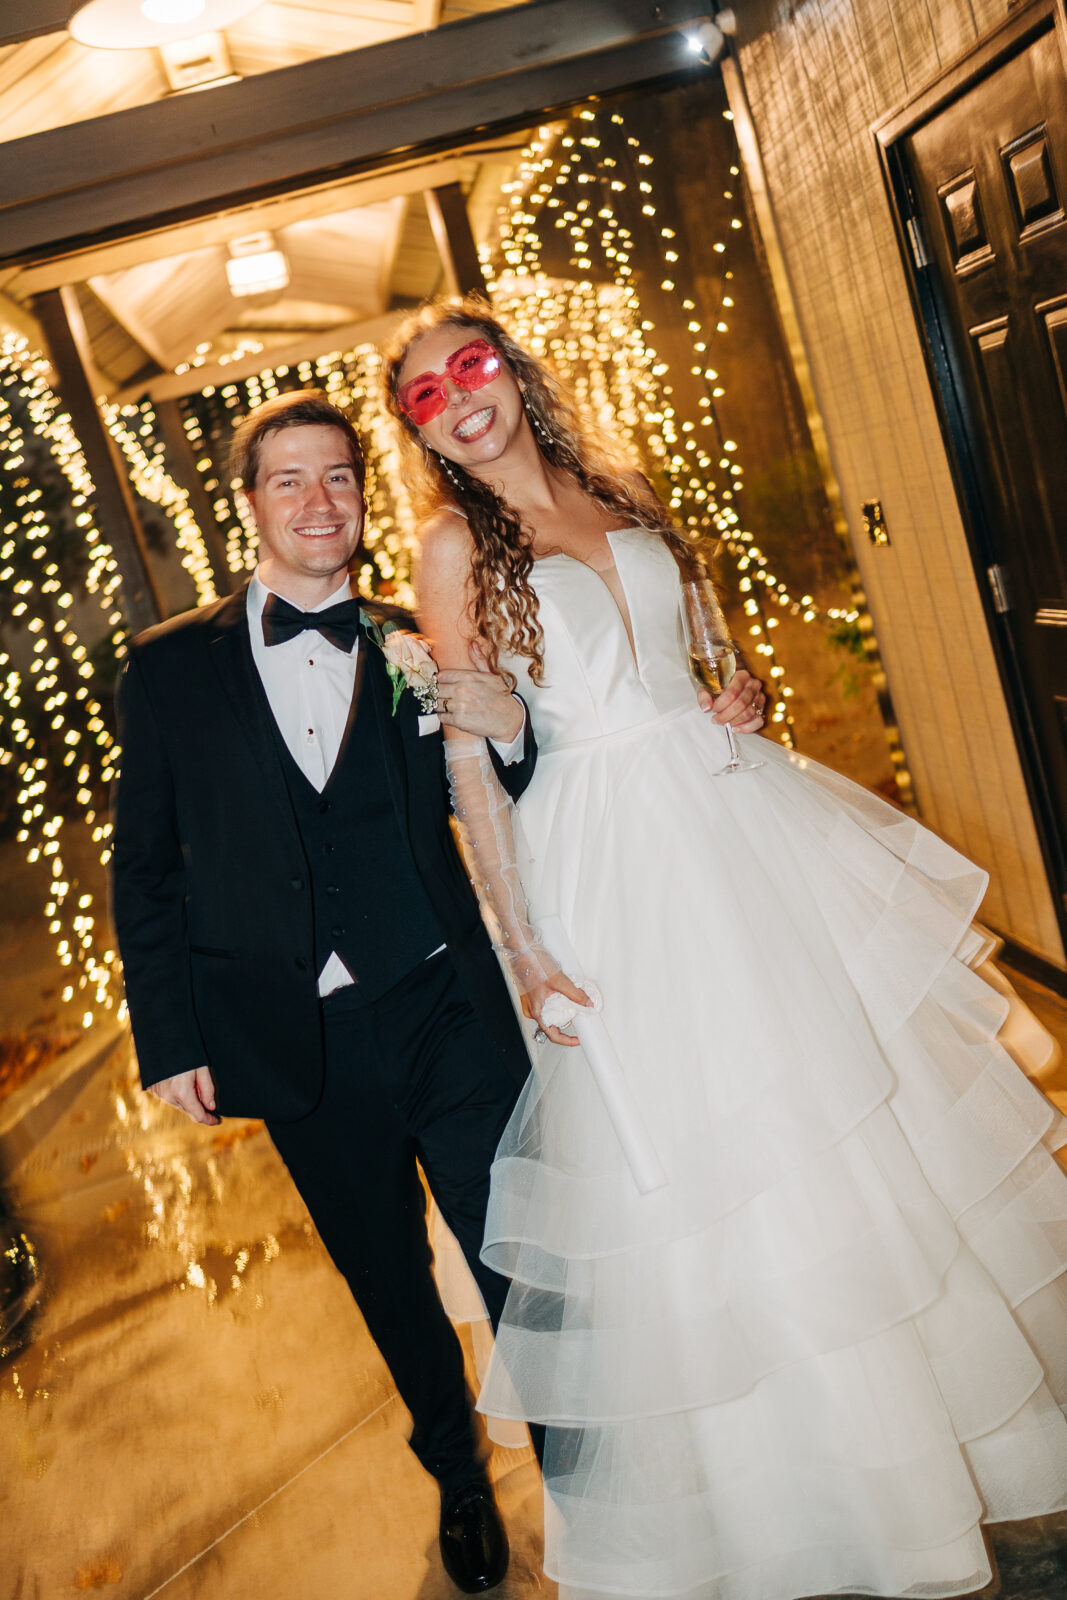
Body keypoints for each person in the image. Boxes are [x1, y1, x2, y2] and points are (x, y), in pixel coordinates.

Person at [381, 299, 1067, 1600]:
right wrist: (521, 945)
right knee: (700, 1160)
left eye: (467, 367)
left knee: (842, 1115)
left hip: (737, 812)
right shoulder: (450, 552)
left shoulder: (617, 484)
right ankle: (785, 1505)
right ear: (421, 431)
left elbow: (706, 654)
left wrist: (735, 691)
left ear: (508, 373)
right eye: (422, 395)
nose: (454, 398)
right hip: (606, 866)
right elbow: (471, 757)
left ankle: (920, 1455)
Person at [111, 390, 538, 1594]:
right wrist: (169, 1036)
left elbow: (510, 775)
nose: (320, 501)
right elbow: (142, 869)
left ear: (362, 495)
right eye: (290, 479)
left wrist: (508, 724)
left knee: (514, 1243)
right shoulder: (169, 671)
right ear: (248, 505)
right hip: (298, 1041)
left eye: (340, 476)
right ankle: (457, 1472)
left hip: (446, 1004)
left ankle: (582, 1464)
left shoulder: (415, 632)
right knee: (388, 1277)